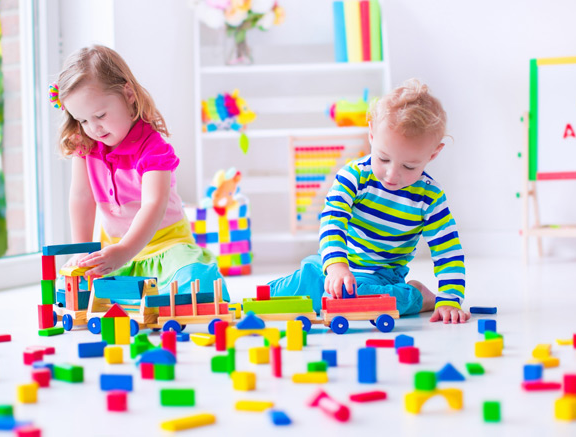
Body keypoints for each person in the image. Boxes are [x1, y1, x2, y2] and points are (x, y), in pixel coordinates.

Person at [269, 79, 469, 323]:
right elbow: (333, 219)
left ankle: (418, 296)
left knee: (351, 301)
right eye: (383, 159)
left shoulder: (430, 196)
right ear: (372, 134)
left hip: (380, 276)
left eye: (409, 166)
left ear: (433, 154)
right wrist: (336, 266)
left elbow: (447, 249)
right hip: (334, 263)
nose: (392, 174)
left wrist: (449, 298)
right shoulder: (354, 176)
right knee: (291, 288)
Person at [50, 44, 228, 300]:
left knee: (199, 282)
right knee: (70, 290)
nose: (93, 128)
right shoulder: (85, 144)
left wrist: (125, 250)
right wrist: (82, 253)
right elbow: (81, 197)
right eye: (83, 120)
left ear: (129, 94)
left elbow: (153, 204)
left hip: (166, 247)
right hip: (115, 251)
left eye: (100, 115)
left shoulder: (153, 147)